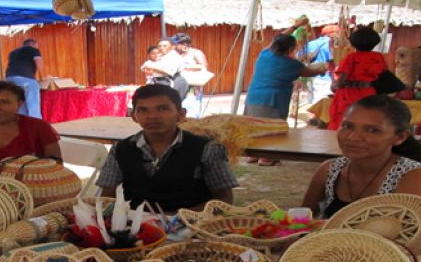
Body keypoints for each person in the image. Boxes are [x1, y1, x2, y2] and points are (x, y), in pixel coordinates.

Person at [96, 84, 238, 212]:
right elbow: (107, 195)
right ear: (134, 116)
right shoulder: (120, 149)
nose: (152, 116)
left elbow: (224, 199)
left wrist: (177, 219)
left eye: (163, 108)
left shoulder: (208, 149)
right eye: (143, 110)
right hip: (136, 227)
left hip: (189, 227)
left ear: (181, 114)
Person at [302, 95, 421, 219]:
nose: (353, 137)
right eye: (348, 126)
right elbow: (302, 219)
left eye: (373, 130)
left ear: (400, 137)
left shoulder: (414, 178)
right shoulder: (330, 170)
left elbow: (409, 239)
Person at [244, 34, 326, 165]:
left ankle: (253, 154)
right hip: (274, 100)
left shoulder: (264, 54)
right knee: (272, 128)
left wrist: (294, 27)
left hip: (254, 96)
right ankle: (267, 157)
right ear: (290, 49)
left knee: (255, 125)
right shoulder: (292, 64)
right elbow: (308, 72)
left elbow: (274, 41)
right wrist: (322, 69)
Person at [328, 27, 387, 131]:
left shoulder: (351, 58)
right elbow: (383, 75)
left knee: (345, 121)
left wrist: (334, 82)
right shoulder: (379, 57)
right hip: (370, 94)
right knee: (366, 121)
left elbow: (341, 81)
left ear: (353, 42)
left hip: (350, 94)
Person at [5, 38, 47, 119]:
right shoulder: (33, 50)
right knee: (33, 104)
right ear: (33, 44)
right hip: (26, 79)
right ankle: (36, 124)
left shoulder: (12, 52)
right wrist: (42, 77)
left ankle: (22, 125)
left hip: (10, 79)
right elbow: (38, 61)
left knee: (19, 104)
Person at [173, 33, 209, 118]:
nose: (174, 46)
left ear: (184, 44)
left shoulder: (195, 53)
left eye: (176, 44)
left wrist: (186, 67)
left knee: (191, 111)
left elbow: (204, 66)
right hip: (179, 86)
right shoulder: (176, 54)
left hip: (192, 88)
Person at [305, 25, 338, 104]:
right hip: (328, 78)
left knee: (314, 104)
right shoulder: (335, 46)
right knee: (326, 104)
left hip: (311, 76)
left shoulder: (310, 44)